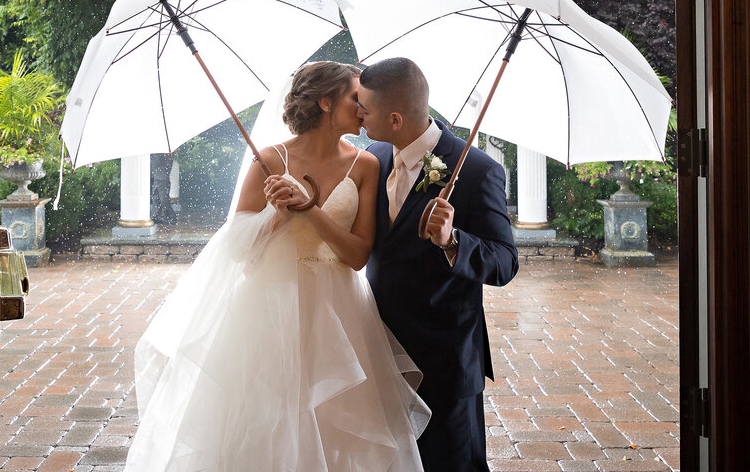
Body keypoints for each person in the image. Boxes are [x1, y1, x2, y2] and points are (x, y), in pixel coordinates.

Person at [126, 61, 430, 472]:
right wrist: (277, 215)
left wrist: (310, 209)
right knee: (272, 423)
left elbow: (358, 255)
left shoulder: (366, 165)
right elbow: (237, 251)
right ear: (325, 102)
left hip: (341, 309)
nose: (363, 108)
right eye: (354, 98)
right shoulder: (269, 160)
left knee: (339, 424)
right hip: (270, 307)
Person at [357, 57, 519, 472]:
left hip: (444, 357)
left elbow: (504, 262)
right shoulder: (373, 157)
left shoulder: (480, 171)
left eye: (365, 108)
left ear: (394, 119)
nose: (357, 115)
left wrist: (454, 241)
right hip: (381, 349)